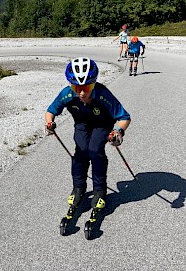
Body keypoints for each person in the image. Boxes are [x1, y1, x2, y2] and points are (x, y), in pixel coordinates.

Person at [44, 57, 131, 218]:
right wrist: (49, 123)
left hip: (102, 124)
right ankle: (78, 188)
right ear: (71, 85)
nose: (82, 92)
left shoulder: (103, 94)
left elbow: (125, 117)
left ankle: (99, 190)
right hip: (82, 123)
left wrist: (118, 132)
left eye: (87, 86)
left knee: (95, 150)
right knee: (81, 151)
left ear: (94, 83)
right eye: (77, 87)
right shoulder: (67, 94)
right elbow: (51, 111)